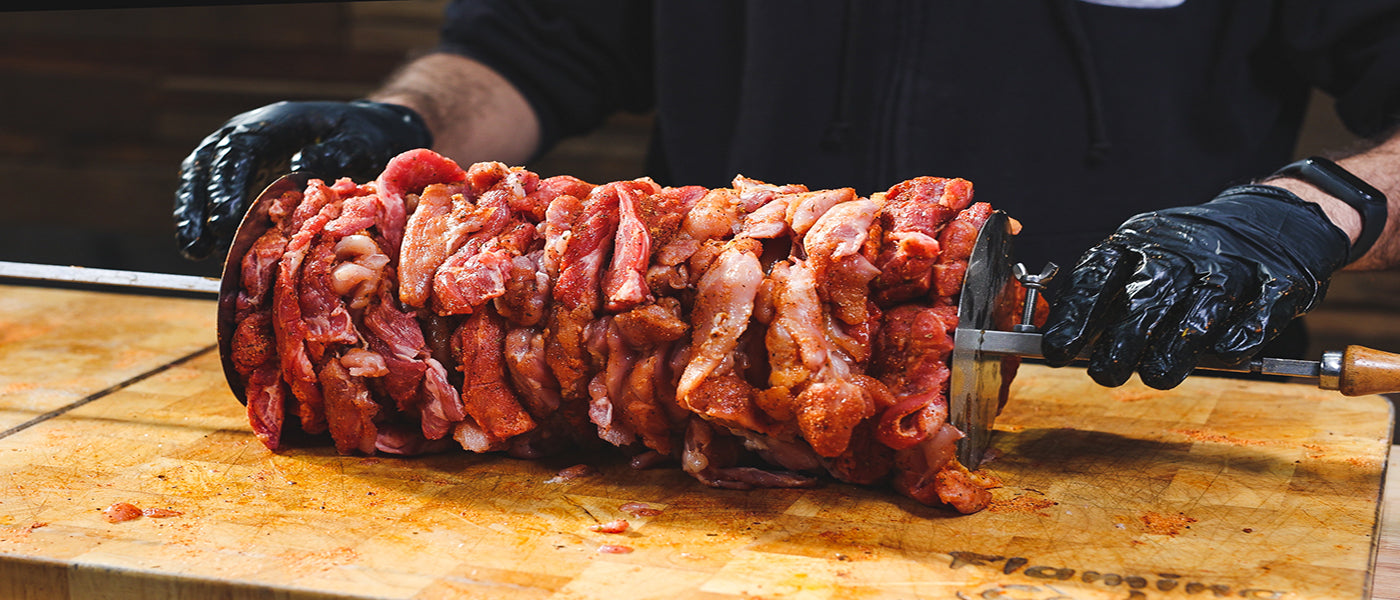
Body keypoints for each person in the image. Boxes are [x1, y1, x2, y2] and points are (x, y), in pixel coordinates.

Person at [173, 1, 1400, 390]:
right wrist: (407, 123)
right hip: (709, 400)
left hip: (1140, 396)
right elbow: (535, 44)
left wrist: (1301, 213)